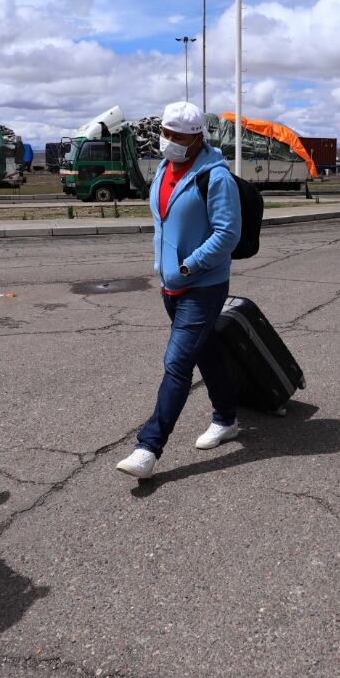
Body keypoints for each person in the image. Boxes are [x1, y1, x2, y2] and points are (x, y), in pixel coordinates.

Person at [116, 101, 242, 480]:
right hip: (171, 284)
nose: (168, 140)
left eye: (178, 136)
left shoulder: (215, 177)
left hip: (202, 284)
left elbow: (227, 233)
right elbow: (165, 222)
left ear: (197, 138)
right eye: (165, 133)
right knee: (204, 351)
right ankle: (227, 418)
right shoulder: (164, 169)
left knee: (177, 364)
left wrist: (190, 265)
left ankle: (148, 447)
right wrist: (165, 266)